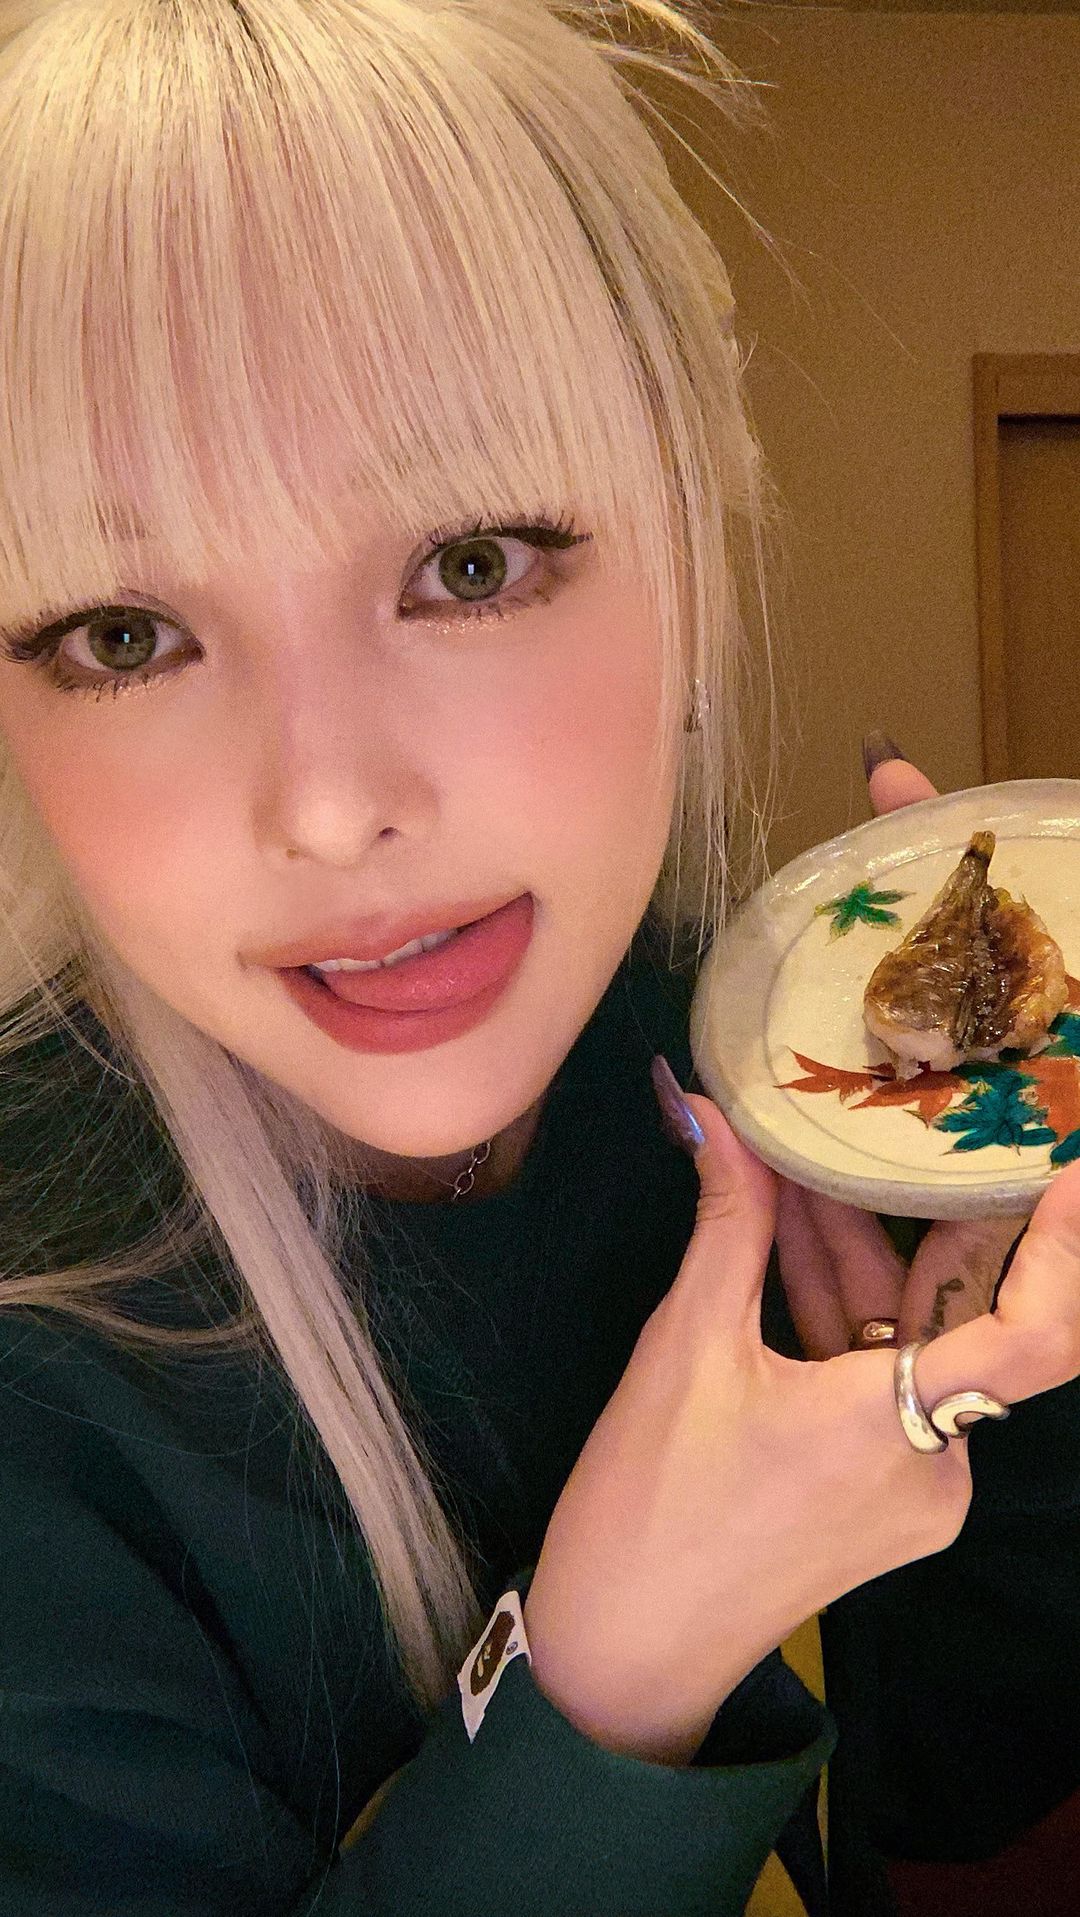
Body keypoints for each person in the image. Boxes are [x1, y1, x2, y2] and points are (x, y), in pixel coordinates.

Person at [0, 3, 1077, 1913]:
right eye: (123, 633)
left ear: (693, 544)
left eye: (471, 563)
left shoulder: (724, 1083)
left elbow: (942, 1773)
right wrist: (603, 1686)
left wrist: (997, 1343)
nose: (331, 806)